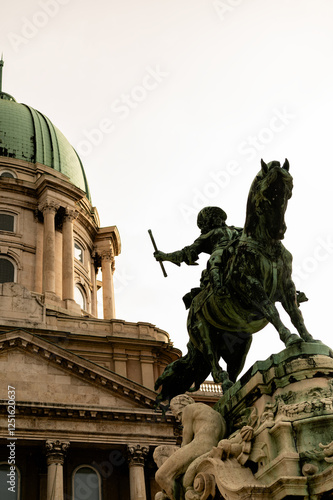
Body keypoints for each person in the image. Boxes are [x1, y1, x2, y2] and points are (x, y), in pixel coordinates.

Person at [154, 207, 241, 303]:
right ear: (208, 221)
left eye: (219, 217)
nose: (218, 219)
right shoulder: (206, 236)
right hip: (220, 252)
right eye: (215, 217)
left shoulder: (236, 229)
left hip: (239, 249)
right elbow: (186, 253)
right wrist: (165, 256)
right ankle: (219, 289)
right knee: (215, 260)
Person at [154, 394, 226, 500]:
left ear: (181, 405)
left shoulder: (188, 409)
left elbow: (186, 442)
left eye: (178, 415)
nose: (179, 419)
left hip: (199, 446)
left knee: (161, 476)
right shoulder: (214, 414)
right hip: (209, 445)